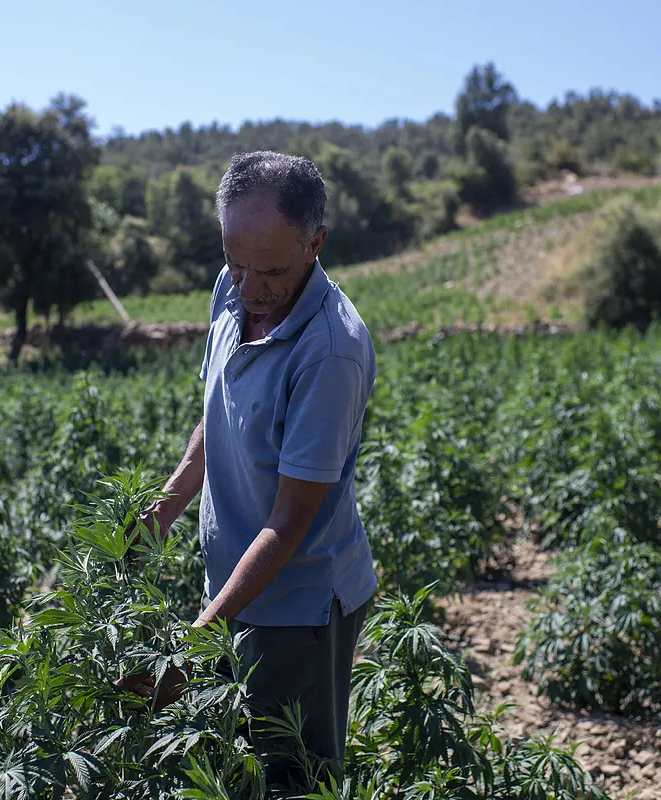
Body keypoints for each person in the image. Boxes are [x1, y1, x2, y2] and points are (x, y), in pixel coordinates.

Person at [123, 151, 378, 789]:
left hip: (299, 606)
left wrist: (196, 641)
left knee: (289, 776)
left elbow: (290, 522)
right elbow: (221, 407)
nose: (250, 289)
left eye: (271, 271)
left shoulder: (330, 351)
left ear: (315, 243)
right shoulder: (233, 288)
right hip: (233, 584)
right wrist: (163, 510)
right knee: (232, 766)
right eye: (236, 264)